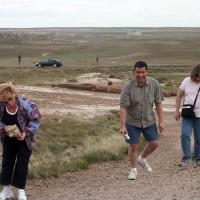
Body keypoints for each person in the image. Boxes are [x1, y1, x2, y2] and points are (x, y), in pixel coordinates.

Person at [119, 61, 164, 180]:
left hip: (149, 120)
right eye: (138, 72)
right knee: (133, 145)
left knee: (155, 143)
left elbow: (158, 103)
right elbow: (123, 106)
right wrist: (122, 126)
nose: (140, 75)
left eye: (143, 72)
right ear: (134, 72)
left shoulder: (154, 84)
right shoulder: (128, 86)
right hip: (132, 121)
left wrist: (161, 121)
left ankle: (142, 158)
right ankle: (133, 169)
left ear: (146, 72)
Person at [0, 82, 41, 200]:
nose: (7, 104)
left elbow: (36, 121)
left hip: (26, 139)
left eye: (9, 101)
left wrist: (26, 132)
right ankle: (6, 190)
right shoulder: (1, 105)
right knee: (7, 162)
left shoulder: (28, 105)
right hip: (8, 138)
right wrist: (4, 128)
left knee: (22, 164)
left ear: (14, 96)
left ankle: (21, 191)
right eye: (4, 102)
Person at [175, 64, 200, 167]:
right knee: (185, 135)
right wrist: (177, 110)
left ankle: (198, 157)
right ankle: (186, 157)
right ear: (192, 75)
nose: (198, 79)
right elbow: (179, 95)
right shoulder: (186, 81)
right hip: (188, 113)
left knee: (199, 137)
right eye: (196, 76)